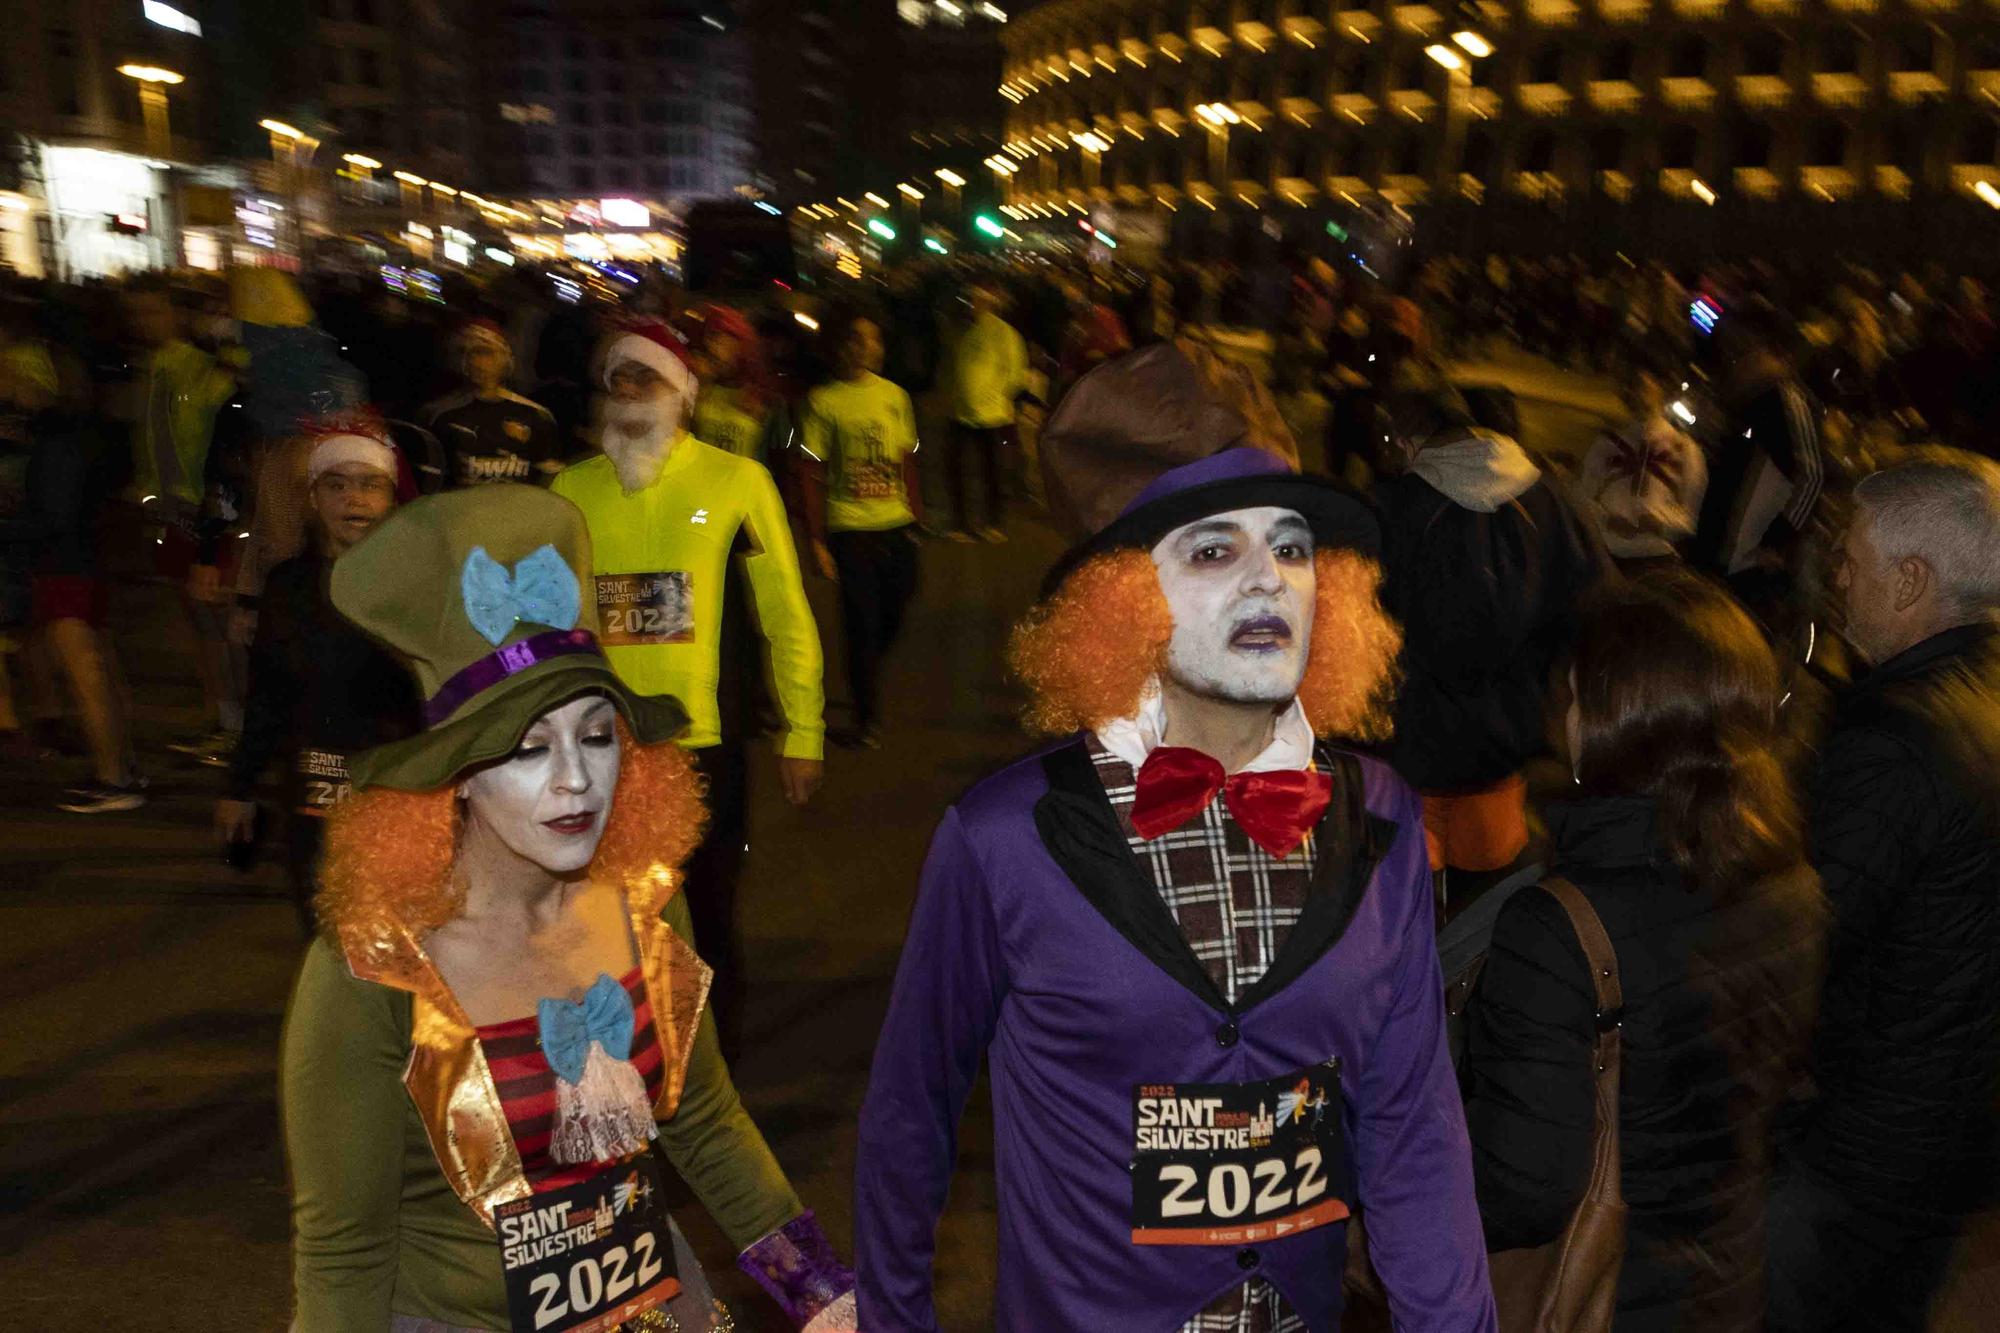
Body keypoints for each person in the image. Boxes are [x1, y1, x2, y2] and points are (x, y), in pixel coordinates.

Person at [854, 344, 1496, 1331]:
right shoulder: (1003, 839)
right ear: (1122, 599)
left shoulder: (1378, 818)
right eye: (1211, 550)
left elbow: (1411, 1127)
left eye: (1289, 546)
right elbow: (909, 1117)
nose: (1266, 580)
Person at [281, 483, 856, 1332]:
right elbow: (344, 1253)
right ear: (458, 773)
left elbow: (706, 1123)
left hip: (650, 1311)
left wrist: (826, 1299)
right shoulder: (376, 966)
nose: (576, 780)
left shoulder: (648, 904)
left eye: (595, 734)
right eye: (527, 747)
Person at [1462, 572, 1823, 1330]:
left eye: (1574, 692)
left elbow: (1524, 1184)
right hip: (1728, 1275)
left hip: (1607, 1295)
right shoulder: (1791, 880)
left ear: (1612, 719)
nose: (1560, 709)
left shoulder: (1556, 925)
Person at [1768, 452, 2000, 1332]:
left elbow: (1807, 933)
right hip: (1959, 1133)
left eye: (1851, 562)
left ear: (1910, 580)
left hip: (1861, 1154)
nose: (1837, 579)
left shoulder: (1894, 739)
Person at [550, 321, 824, 1058]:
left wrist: (804, 730)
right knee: (599, 917)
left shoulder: (737, 482)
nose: (633, 392)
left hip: (703, 746)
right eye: (619, 379)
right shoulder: (569, 490)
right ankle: (617, 1062)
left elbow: (786, 613)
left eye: (649, 377)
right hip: (595, 750)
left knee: (706, 914)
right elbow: (542, 620)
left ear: (684, 394)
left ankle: (712, 1069)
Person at [1371, 385, 1602, 880]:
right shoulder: (1553, 502)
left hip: (1410, 759)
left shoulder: (1394, 509)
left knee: (1411, 907)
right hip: (1507, 759)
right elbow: (1592, 608)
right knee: (1488, 907)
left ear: (1408, 440)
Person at [216, 426, 419, 934]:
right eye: (336, 484)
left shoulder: (423, 581)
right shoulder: (289, 584)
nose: (354, 497)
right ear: (313, 498)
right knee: (325, 923)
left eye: (370, 484)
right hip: (317, 782)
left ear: (392, 498)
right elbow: (266, 692)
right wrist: (239, 786)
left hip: (406, 782)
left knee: (409, 926)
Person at [126, 274, 242, 766]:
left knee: (217, 623)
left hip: (198, 513)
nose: (144, 322)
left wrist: (202, 519)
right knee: (201, 625)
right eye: (138, 312)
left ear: (179, 314)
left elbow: (209, 450)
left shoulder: (201, 373)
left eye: (154, 311)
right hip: (173, 512)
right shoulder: (156, 368)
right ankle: (221, 719)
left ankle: (234, 726)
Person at [800, 311, 922, 749]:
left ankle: (866, 671)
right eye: (857, 340)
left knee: (897, 610)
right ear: (841, 347)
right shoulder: (823, 401)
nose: (866, 348)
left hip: (896, 525)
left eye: (873, 340)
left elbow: (908, 459)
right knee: (861, 625)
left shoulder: (895, 397)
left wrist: (916, 518)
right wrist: (817, 540)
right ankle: (865, 716)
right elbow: (810, 470)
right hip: (850, 529)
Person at [1687, 305, 1826, 596]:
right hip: (1707, 551)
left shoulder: (1784, 400)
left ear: (1767, 349)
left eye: (1743, 346)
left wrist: (1776, 543)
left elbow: (1810, 477)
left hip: (1747, 563)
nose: (1733, 355)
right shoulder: (1730, 395)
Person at [1576, 367, 1708, 567]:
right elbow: (1584, 493)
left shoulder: (1687, 451)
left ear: (1662, 389)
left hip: (1654, 557)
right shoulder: (1606, 444)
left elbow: (1690, 518)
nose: (1635, 394)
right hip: (1603, 551)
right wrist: (1605, 519)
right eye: (1628, 387)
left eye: (1642, 387)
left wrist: (1660, 524)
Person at [422, 318, 565, 488]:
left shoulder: (537, 416)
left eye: (484, 352)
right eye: (468, 353)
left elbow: (550, 478)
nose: (476, 361)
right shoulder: (443, 417)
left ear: (505, 359)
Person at [941, 279, 1027, 542]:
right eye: (972, 301)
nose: (973, 306)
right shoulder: (967, 330)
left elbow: (1015, 373)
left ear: (990, 304)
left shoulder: (1005, 333)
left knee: (991, 471)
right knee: (956, 468)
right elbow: (956, 367)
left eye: (978, 301)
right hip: (962, 412)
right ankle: (962, 523)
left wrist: (996, 397)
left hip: (992, 416)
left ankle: (992, 523)